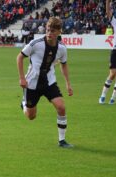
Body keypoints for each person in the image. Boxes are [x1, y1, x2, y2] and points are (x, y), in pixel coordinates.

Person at [17, 17, 74, 148]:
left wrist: (68, 84)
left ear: (59, 32)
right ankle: (24, 104)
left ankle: (62, 140)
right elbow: (19, 57)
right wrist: (22, 78)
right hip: (32, 83)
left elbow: (64, 65)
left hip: (49, 82)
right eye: (48, 30)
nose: (49, 33)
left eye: (53, 31)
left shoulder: (62, 48)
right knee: (31, 116)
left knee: (61, 107)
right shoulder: (35, 43)